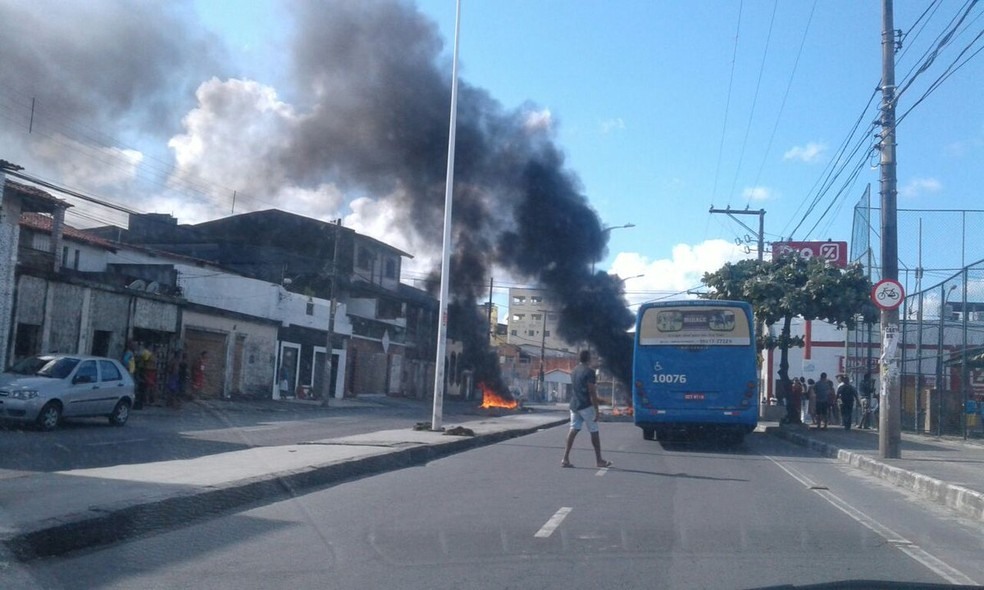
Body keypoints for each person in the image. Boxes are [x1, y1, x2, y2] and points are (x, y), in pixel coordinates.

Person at [561, 350, 612, 469]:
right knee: (594, 431)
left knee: (573, 429)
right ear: (588, 359)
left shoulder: (574, 371)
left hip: (574, 405)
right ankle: (599, 460)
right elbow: (592, 391)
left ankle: (565, 458)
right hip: (586, 405)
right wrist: (596, 409)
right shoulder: (589, 372)